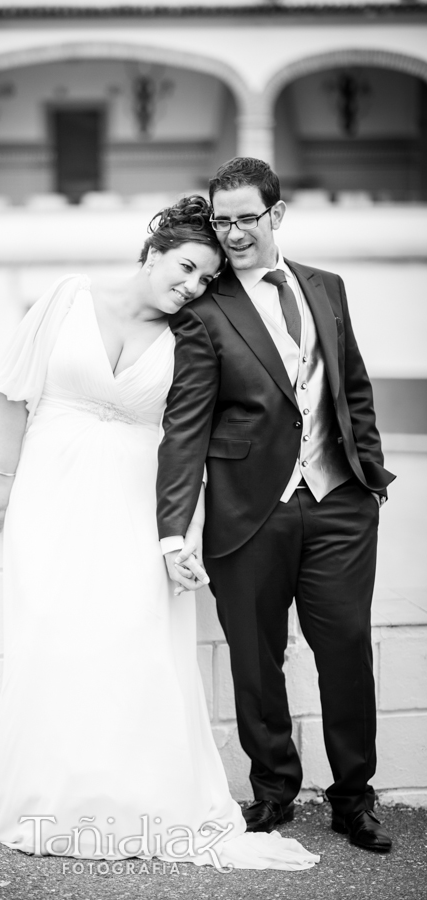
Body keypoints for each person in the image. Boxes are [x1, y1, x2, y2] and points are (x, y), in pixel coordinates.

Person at [0, 196, 319, 871]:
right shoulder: (66, 299)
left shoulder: (194, 333)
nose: (189, 287)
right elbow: (13, 392)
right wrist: (4, 478)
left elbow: (193, 438)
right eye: (185, 268)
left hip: (138, 500)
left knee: (136, 637)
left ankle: (135, 799)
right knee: (52, 634)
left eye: (202, 281)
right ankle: (52, 799)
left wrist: (182, 529)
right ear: (153, 250)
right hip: (50, 490)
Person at [157, 158, 395, 854]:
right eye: (221, 219)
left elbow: (351, 386)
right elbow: (186, 424)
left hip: (338, 504)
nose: (231, 233)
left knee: (346, 649)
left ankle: (353, 800)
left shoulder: (327, 287)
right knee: (255, 660)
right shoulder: (203, 307)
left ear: (275, 215)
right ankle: (272, 792)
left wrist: (369, 479)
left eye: (244, 218)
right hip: (247, 508)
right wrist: (173, 527)